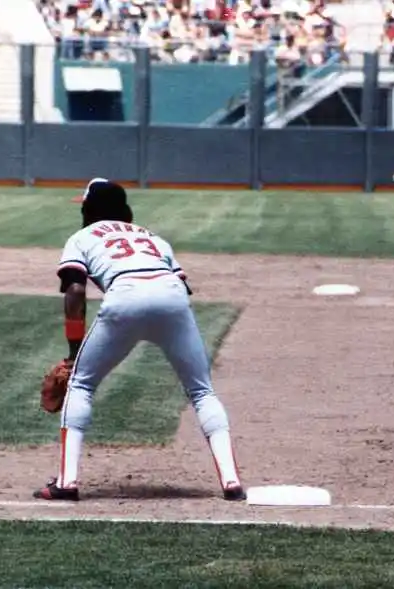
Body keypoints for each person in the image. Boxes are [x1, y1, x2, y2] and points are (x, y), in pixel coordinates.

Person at [34, 178, 246, 501]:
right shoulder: (153, 238)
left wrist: (74, 351)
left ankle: (67, 482)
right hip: (173, 300)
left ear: (88, 209)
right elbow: (180, 287)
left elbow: (75, 291)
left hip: (125, 298)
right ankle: (231, 482)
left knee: (81, 385)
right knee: (202, 391)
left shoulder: (81, 237)